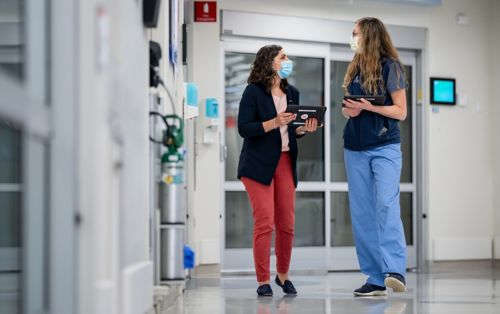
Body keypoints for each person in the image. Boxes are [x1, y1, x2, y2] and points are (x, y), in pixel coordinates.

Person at [237, 45, 318, 296]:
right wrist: (274, 122)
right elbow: (244, 128)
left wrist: (303, 129)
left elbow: (292, 131)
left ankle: (282, 276)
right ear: (270, 62)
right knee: (264, 221)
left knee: (287, 223)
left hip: (284, 161)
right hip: (257, 164)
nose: (288, 60)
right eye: (283, 57)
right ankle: (262, 280)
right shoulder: (253, 92)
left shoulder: (292, 92)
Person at [341, 17, 408, 297]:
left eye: (356, 33)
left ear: (369, 35)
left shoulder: (390, 67)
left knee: (386, 205)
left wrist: (370, 108)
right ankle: (375, 277)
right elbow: (346, 109)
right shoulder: (355, 67)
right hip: (354, 148)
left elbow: (401, 111)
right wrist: (352, 111)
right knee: (362, 213)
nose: (353, 38)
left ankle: (395, 270)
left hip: (384, 147)